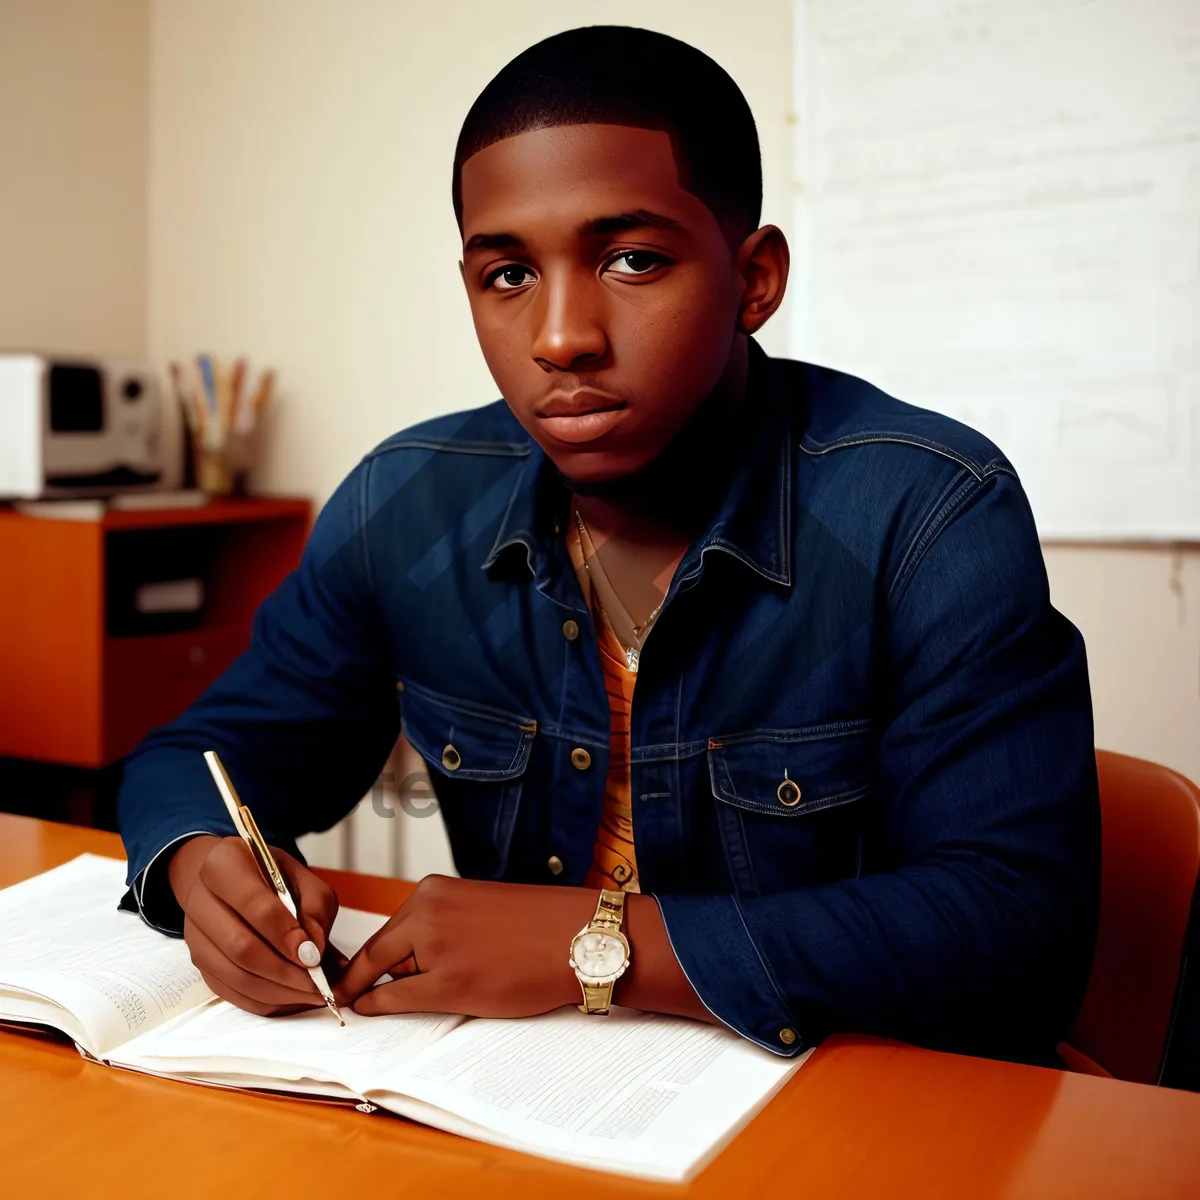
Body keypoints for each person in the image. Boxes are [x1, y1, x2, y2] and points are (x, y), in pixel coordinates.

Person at [116, 25, 1100, 1066]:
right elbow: (200, 756)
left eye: (633, 260)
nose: (560, 337)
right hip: (518, 1091)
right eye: (508, 275)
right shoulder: (405, 504)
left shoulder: (927, 510)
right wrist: (200, 864)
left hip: (839, 1099)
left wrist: (595, 946)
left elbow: (1018, 930)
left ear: (754, 278)